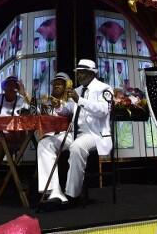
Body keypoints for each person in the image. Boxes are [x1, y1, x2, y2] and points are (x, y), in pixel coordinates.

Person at [37, 59, 112, 206]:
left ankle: (72, 195)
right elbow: (69, 110)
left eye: (81, 72)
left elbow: (103, 111)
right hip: (75, 133)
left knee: (77, 147)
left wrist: (80, 100)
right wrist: (59, 106)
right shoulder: (77, 91)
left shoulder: (104, 88)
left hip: (95, 134)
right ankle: (54, 192)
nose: (78, 75)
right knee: (45, 143)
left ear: (91, 73)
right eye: (78, 73)